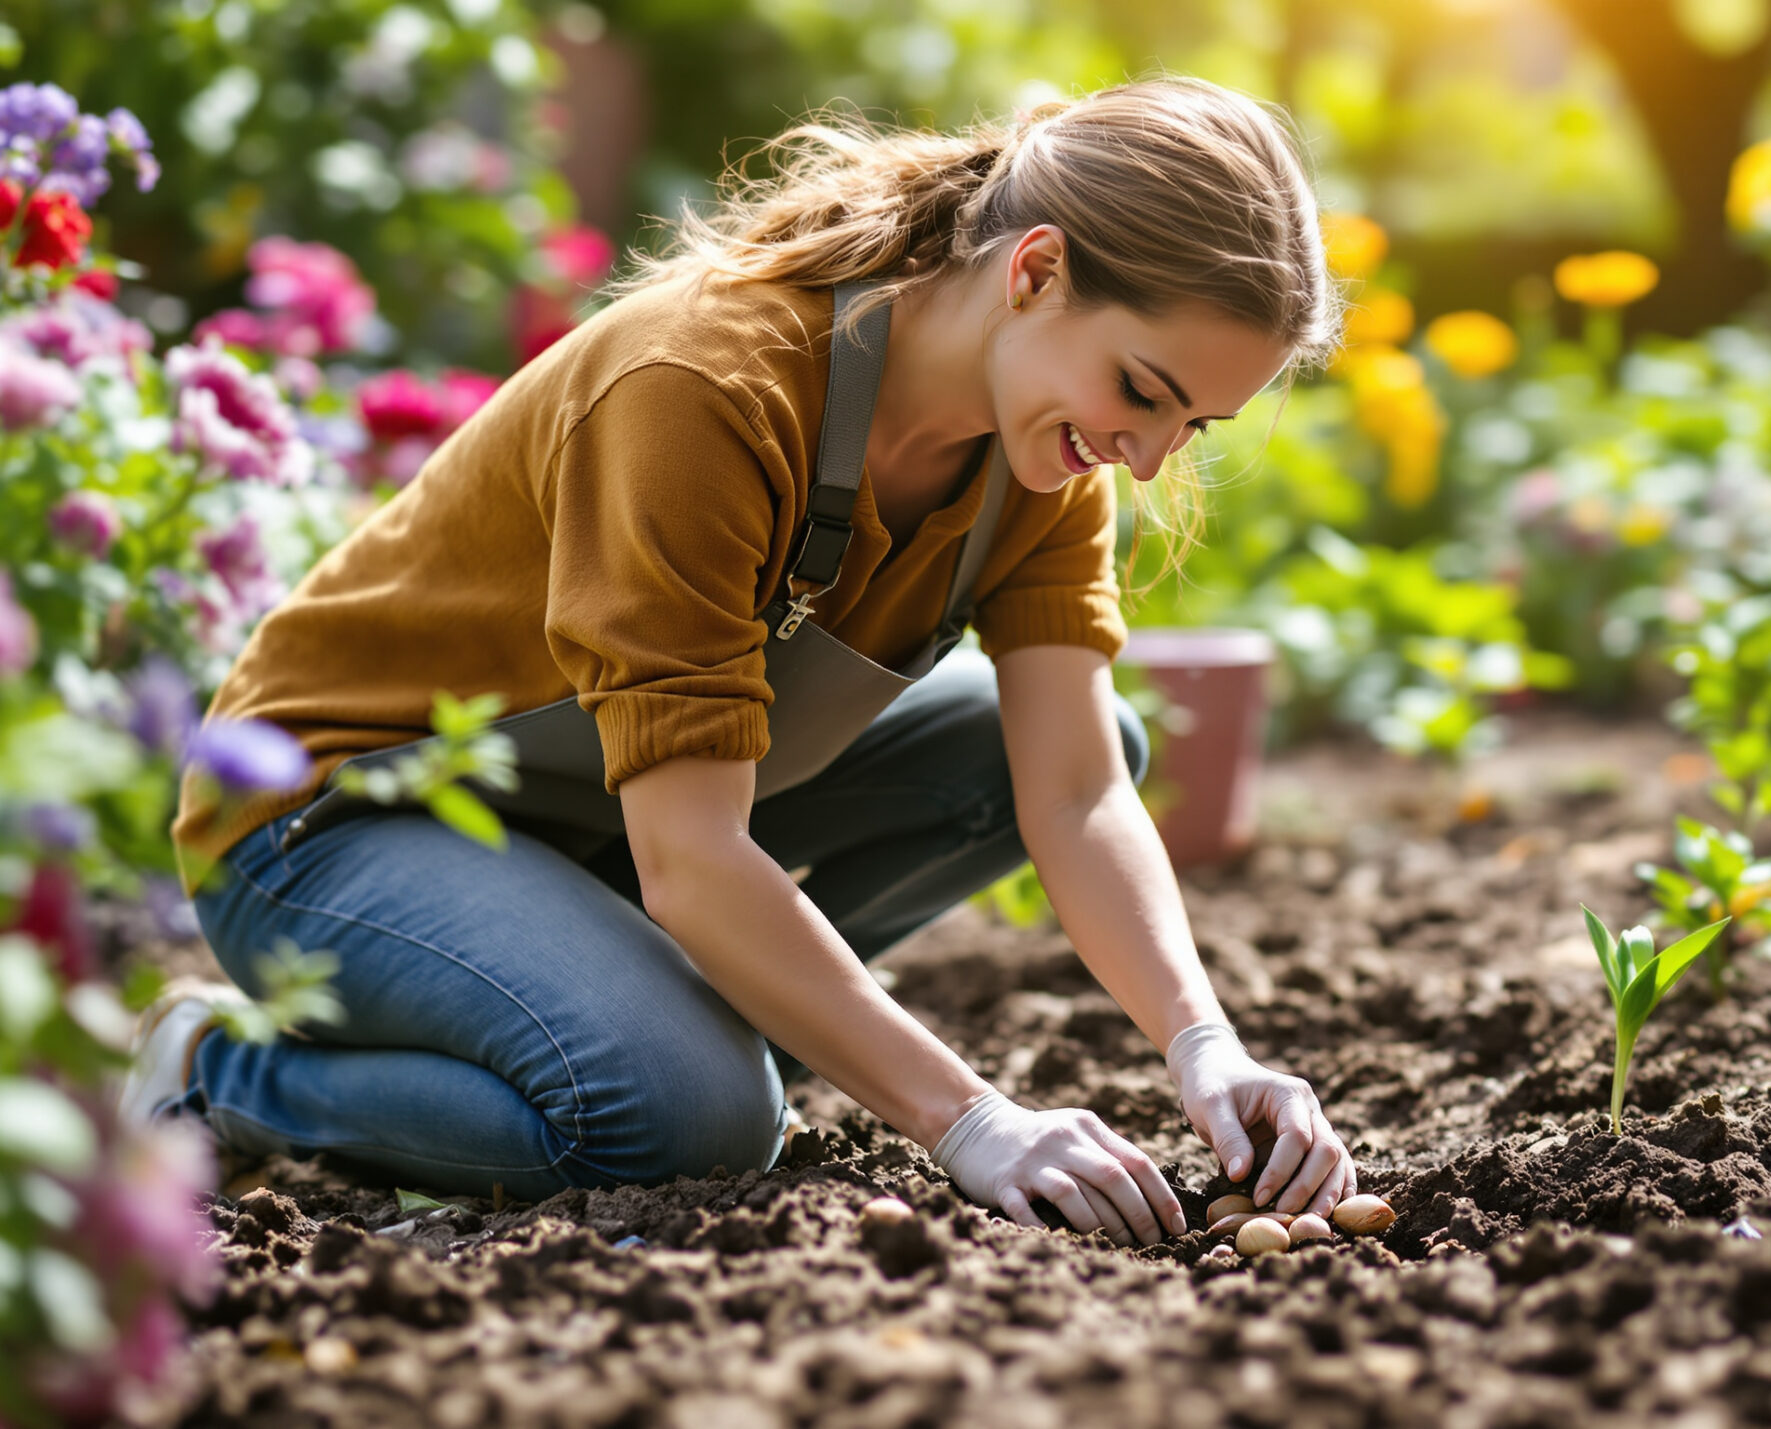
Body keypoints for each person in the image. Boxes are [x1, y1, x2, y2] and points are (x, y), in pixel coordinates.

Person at [119, 75, 1354, 1248]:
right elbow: (694, 857)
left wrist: (1207, 1047)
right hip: (333, 818)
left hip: (594, 821)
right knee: (681, 1119)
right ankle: (217, 1072)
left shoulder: (1042, 454)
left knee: (1027, 754)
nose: (1147, 457)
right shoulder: (705, 389)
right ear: (1035, 270)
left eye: (1192, 423)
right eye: (1145, 391)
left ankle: (688, 1023)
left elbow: (1077, 789)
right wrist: (966, 1118)